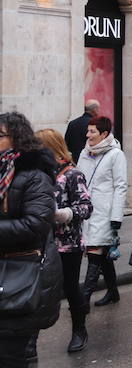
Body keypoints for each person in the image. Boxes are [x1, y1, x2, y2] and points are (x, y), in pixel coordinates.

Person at [0, 113, 63, 367]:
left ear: (17, 139)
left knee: (15, 354)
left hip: (21, 275)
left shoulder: (34, 176)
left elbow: (35, 224)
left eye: (0, 135)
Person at [35, 129, 93, 354]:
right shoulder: (39, 174)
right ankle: (31, 339)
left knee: (70, 287)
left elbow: (86, 207)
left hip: (68, 244)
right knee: (37, 291)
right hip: (42, 244)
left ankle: (79, 331)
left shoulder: (72, 174)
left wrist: (64, 214)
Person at [78, 115, 128, 308]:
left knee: (94, 252)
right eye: (88, 130)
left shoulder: (116, 155)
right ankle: (113, 292)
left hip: (104, 213)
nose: (88, 134)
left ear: (104, 134)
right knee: (103, 254)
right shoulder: (85, 152)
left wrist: (116, 217)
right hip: (87, 212)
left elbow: (121, 186)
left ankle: (84, 299)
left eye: (92, 131)